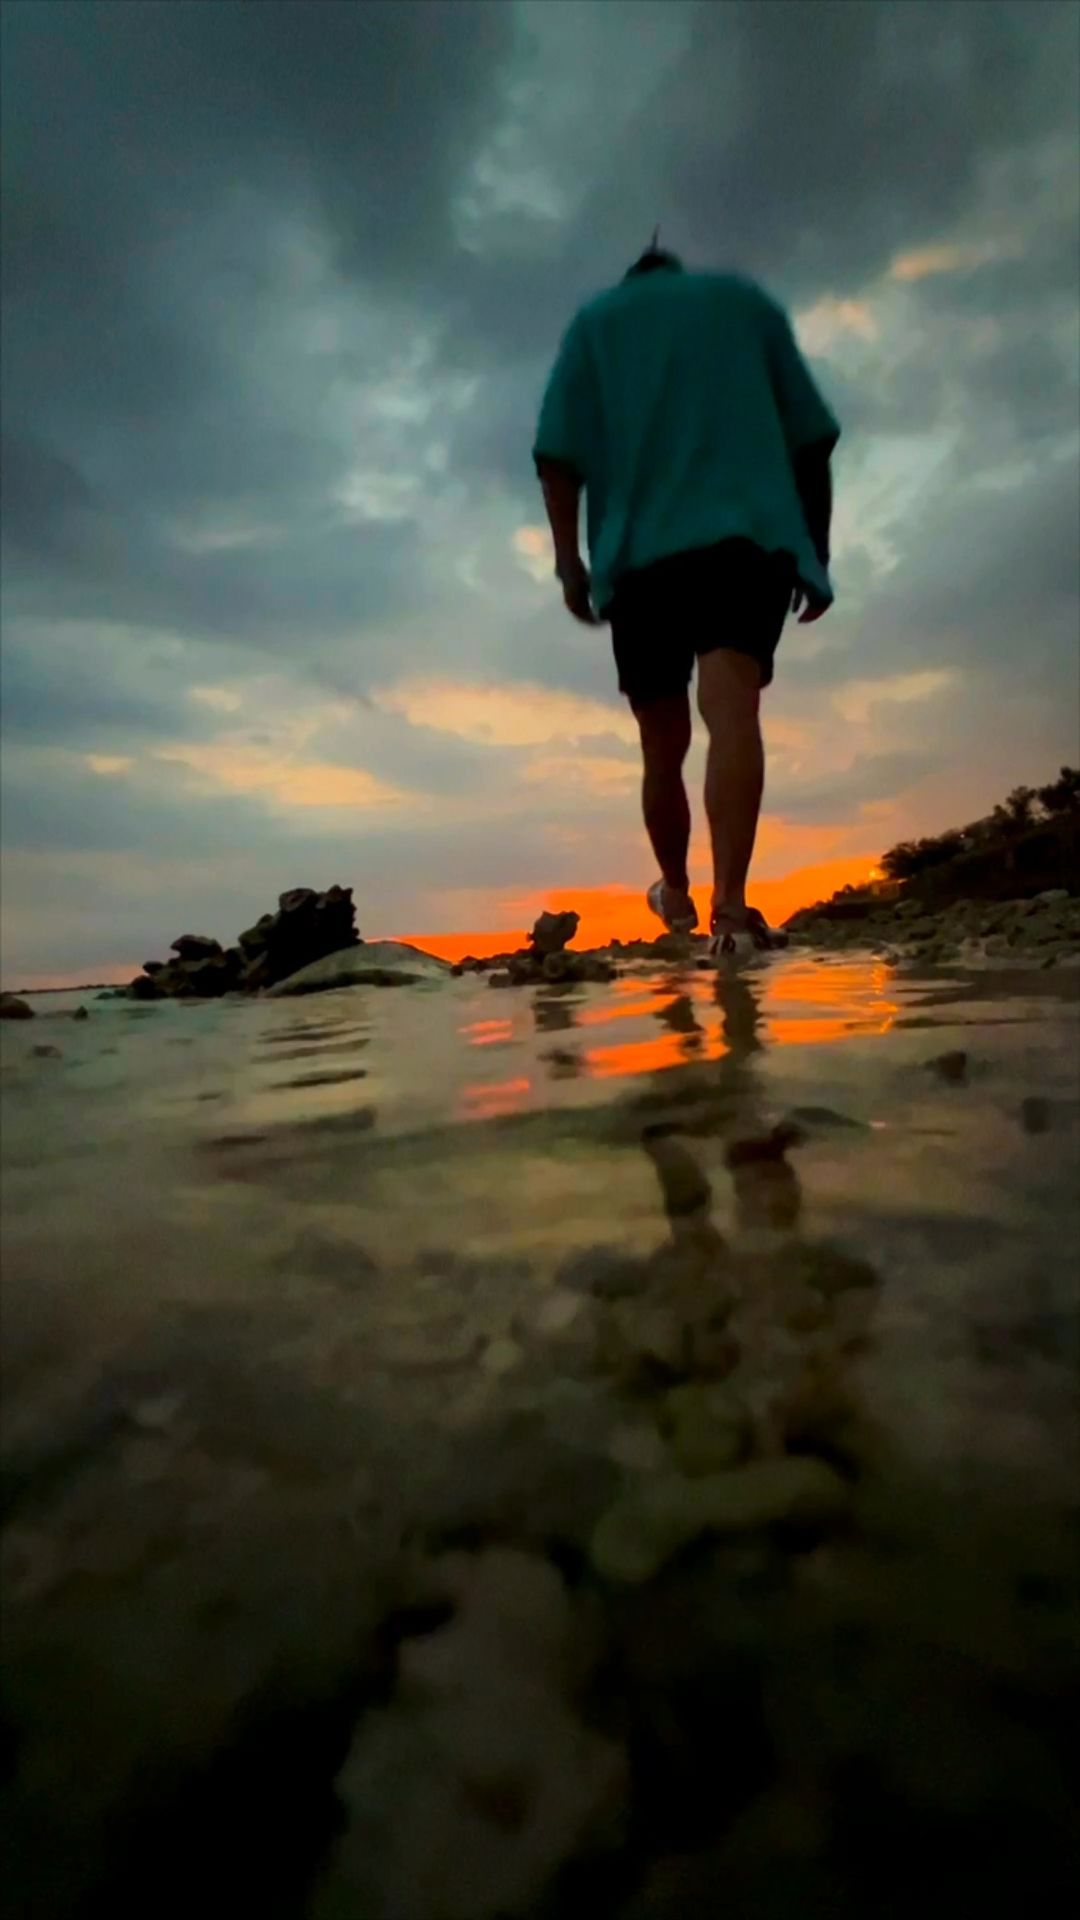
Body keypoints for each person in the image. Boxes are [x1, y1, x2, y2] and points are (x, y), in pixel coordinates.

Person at [532, 239, 840, 958]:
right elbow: (811, 441)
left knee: (661, 747)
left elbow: (556, 458)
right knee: (732, 715)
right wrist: (815, 553)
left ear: (631, 279)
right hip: (745, 539)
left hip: (642, 561)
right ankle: (730, 914)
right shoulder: (744, 304)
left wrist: (569, 564)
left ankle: (675, 894)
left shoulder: (597, 323)